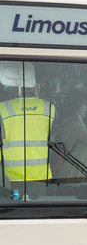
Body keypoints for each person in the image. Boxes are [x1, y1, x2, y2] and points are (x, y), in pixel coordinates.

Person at [0, 62, 56, 193]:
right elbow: (52, 138)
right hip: (40, 175)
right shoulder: (49, 108)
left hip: (10, 176)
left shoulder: (3, 108)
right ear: (36, 85)